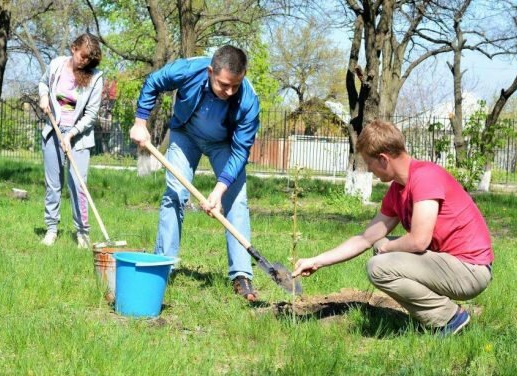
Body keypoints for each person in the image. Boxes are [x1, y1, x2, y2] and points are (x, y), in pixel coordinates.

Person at [292, 119, 494, 336]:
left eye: (369, 163)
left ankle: (449, 319)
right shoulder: (398, 190)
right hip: (450, 265)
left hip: (470, 271)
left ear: (383, 159)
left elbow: (419, 240)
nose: (369, 170)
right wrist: (317, 260)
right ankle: (438, 314)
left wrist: (388, 248)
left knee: (378, 266)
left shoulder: (425, 177)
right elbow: (366, 238)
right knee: (379, 244)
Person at [129, 45, 261, 301]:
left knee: (236, 199)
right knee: (175, 193)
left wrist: (219, 191)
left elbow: (241, 151)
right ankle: (163, 266)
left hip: (224, 144)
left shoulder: (248, 100)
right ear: (211, 71)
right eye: (224, 85)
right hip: (185, 134)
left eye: (235, 85)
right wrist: (140, 122)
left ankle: (242, 275)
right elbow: (154, 81)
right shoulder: (190, 69)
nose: (230, 92)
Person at [38, 33, 104, 249]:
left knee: (78, 185)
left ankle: (83, 232)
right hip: (53, 132)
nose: (84, 62)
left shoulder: (95, 78)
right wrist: (43, 96)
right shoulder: (57, 65)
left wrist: (71, 134)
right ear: (74, 48)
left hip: (79, 138)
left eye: (89, 60)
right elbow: (43, 83)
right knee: (53, 184)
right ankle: (51, 229)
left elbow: (91, 114)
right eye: (82, 56)